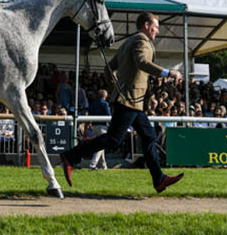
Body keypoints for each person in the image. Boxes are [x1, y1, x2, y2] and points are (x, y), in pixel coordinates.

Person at [60, 12, 185, 193]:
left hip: (133, 101)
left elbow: (109, 68)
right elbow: (142, 62)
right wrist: (167, 73)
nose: (157, 31)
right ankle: (71, 156)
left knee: (149, 136)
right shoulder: (141, 41)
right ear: (147, 25)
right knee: (113, 139)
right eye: (156, 27)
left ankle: (159, 179)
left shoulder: (128, 42)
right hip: (129, 101)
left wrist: (116, 88)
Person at [87, 89, 111, 170]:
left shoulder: (93, 103)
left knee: (101, 146)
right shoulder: (105, 104)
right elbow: (108, 115)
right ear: (105, 96)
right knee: (100, 146)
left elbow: (90, 114)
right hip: (102, 127)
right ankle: (92, 165)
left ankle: (104, 165)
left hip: (94, 127)